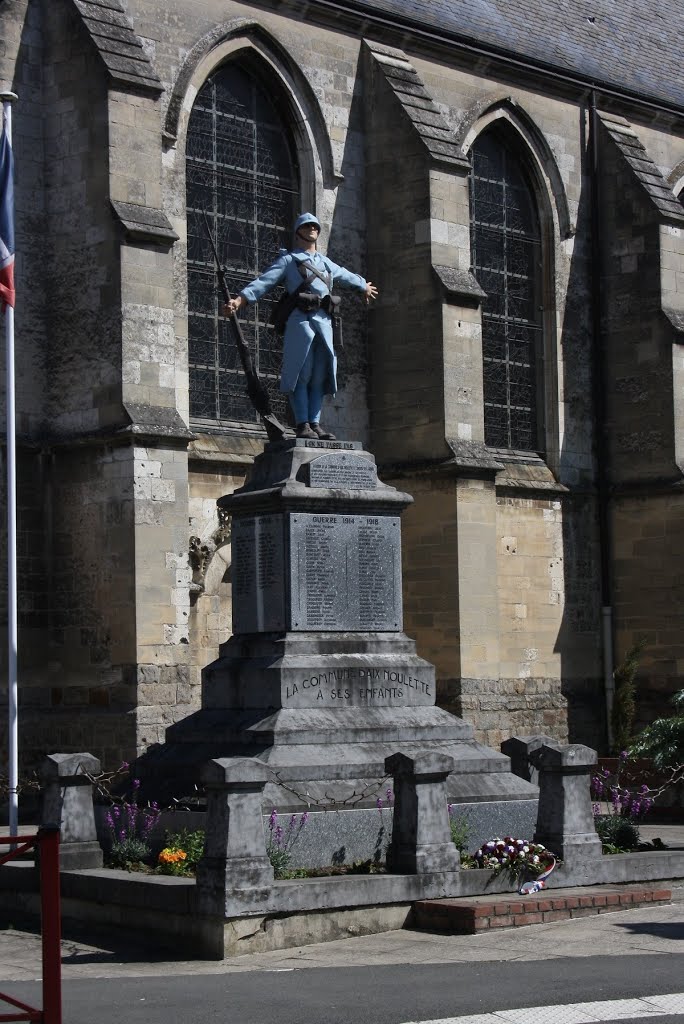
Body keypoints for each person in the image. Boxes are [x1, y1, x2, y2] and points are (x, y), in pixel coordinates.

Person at [224, 213, 378, 440]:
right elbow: (264, 282)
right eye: (307, 226)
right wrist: (240, 300)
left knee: (319, 376)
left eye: (315, 226)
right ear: (298, 232)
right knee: (301, 374)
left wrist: (363, 285)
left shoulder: (325, 262)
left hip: (325, 325)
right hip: (301, 323)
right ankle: (302, 423)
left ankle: (315, 424)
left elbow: (345, 275)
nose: (312, 229)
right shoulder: (289, 260)